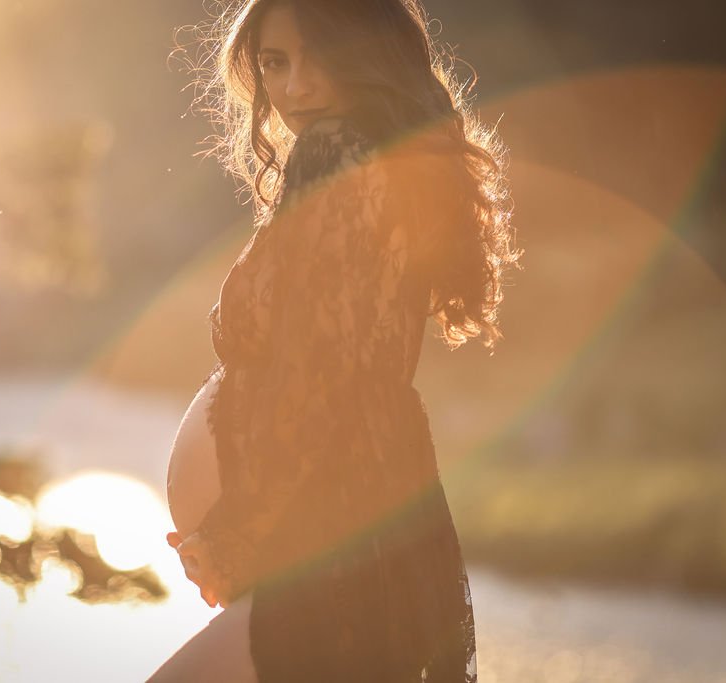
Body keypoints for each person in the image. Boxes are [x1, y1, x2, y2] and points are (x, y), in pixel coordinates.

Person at [148, 0, 520, 680]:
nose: (295, 88)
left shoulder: (338, 152)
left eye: (319, 56)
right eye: (274, 63)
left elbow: (325, 381)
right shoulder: (390, 160)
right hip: (361, 529)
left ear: (369, 51)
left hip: (329, 543)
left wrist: (242, 532)